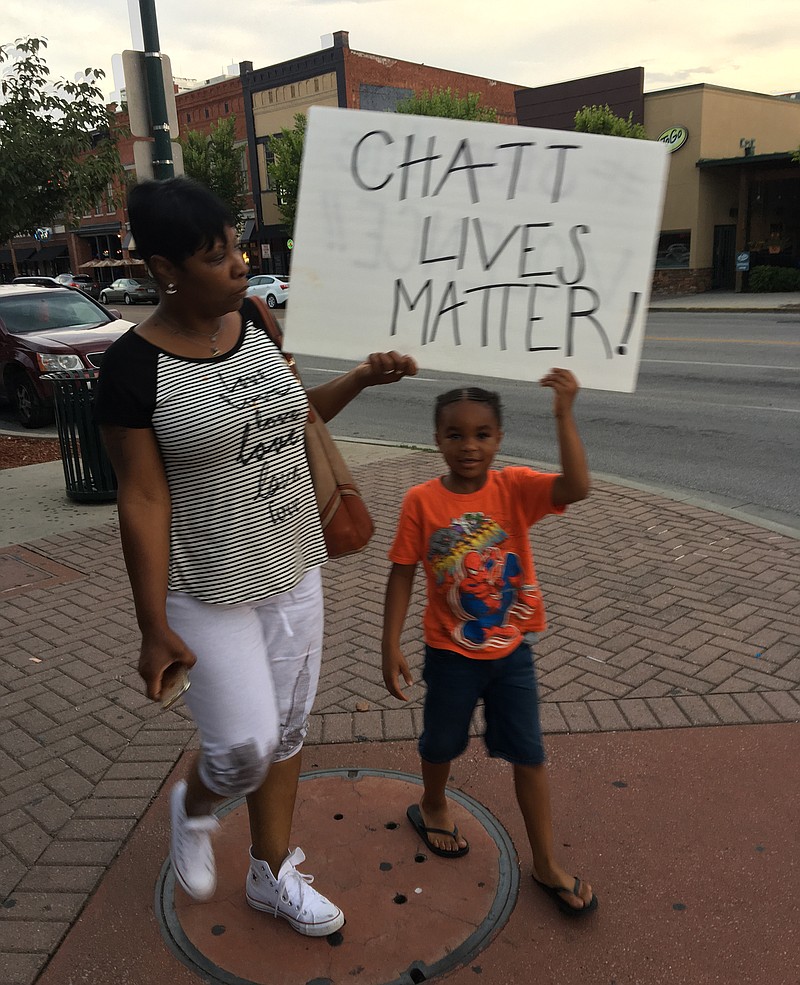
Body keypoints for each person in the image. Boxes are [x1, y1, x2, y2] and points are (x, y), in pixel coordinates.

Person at [95, 176, 417, 937]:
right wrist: (151, 623)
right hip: (207, 589)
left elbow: (297, 421)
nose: (240, 264)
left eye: (237, 247)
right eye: (216, 256)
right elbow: (141, 499)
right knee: (242, 747)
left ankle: (272, 875)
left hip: (294, 566)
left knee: (290, 735)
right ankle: (194, 805)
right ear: (166, 269)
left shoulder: (254, 320)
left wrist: (365, 378)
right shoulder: (132, 371)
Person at [381, 373, 598, 916]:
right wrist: (390, 643)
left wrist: (564, 414)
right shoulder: (421, 501)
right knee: (440, 743)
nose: (469, 446)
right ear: (437, 439)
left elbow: (576, 488)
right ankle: (431, 803)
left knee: (529, 753)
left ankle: (545, 861)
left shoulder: (514, 489)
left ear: (499, 438)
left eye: (482, 434)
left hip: (512, 653)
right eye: (455, 435)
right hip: (449, 655)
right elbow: (403, 572)